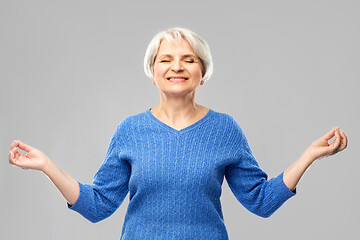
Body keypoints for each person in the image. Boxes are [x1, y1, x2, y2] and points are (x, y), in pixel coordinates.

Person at [8, 27, 348, 240]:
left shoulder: (225, 129)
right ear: (152, 73)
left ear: (203, 73)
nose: (177, 67)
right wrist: (47, 166)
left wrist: (309, 155)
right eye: (165, 60)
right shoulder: (130, 131)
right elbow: (97, 206)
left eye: (188, 59)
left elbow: (261, 201)